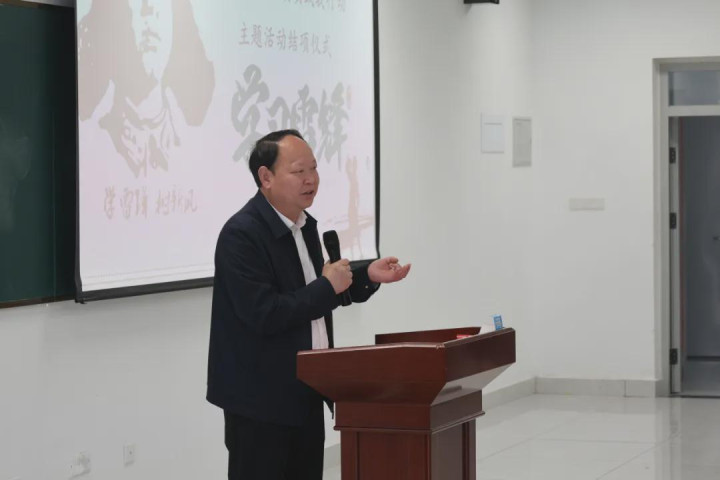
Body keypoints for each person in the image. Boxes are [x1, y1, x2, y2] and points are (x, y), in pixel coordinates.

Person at [206, 129, 410, 480]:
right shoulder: (241, 235)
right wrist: (326, 286)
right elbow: (266, 313)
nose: (311, 179)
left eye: (314, 168)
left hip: (307, 393)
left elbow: (312, 297)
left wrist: (366, 275)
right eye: (299, 171)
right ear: (266, 177)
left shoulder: (303, 226)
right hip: (260, 403)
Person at [78, 0, 214, 178]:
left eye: (159, 10)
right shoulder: (94, 135)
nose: (149, 16)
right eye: (139, 8)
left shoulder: (193, 141)